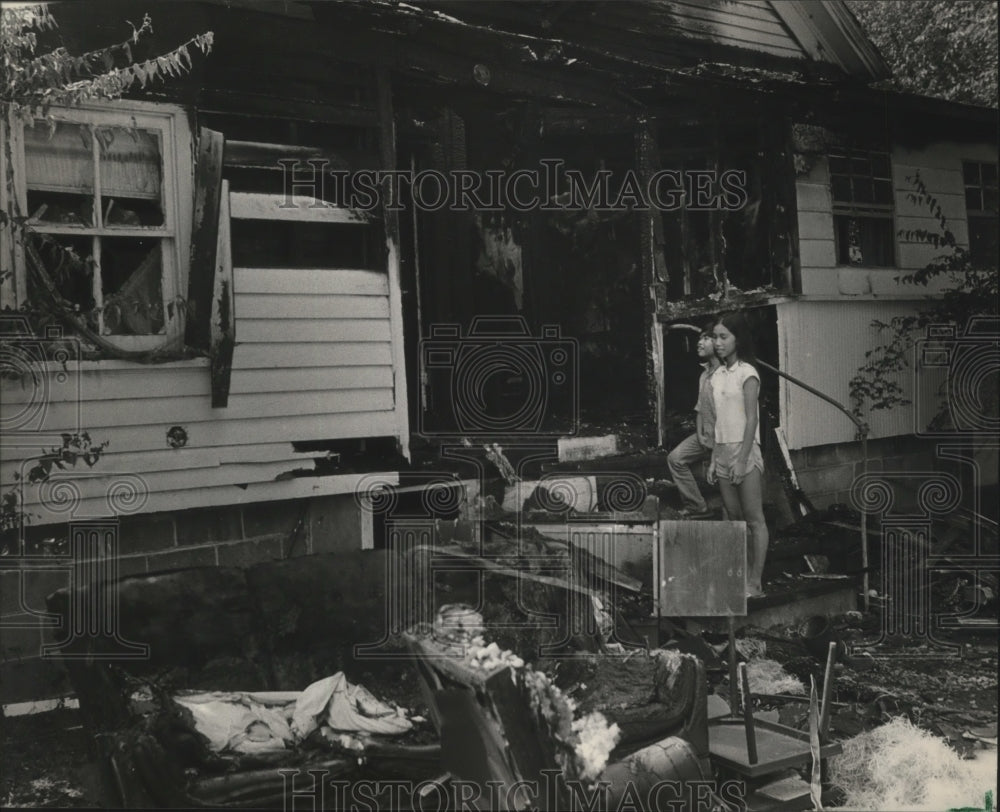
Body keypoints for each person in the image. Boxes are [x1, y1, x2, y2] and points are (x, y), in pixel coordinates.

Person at [706, 312, 769, 598]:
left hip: (745, 450)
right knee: (732, 518)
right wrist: (713, 458)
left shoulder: (748, 373)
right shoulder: (716, 376)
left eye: (723, 337)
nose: (717, 343)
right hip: (721, 451)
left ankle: (755, 582)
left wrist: (742, 459)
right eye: (715, 337)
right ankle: (740, 578)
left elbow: (753, 420)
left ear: (737, 339)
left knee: (754, 519)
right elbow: (718, 420)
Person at [666, 323, 721, 519]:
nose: (700, 342)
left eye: (706, 339)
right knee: (675, 458)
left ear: (718, 344)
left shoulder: (725, 376)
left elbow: (727, 419)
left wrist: (714, 449)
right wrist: (700, 435)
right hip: (705, 435)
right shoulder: (704, 374)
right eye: (700, 338)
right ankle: (697, 506)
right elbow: (699, 410)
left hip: (724, 441)